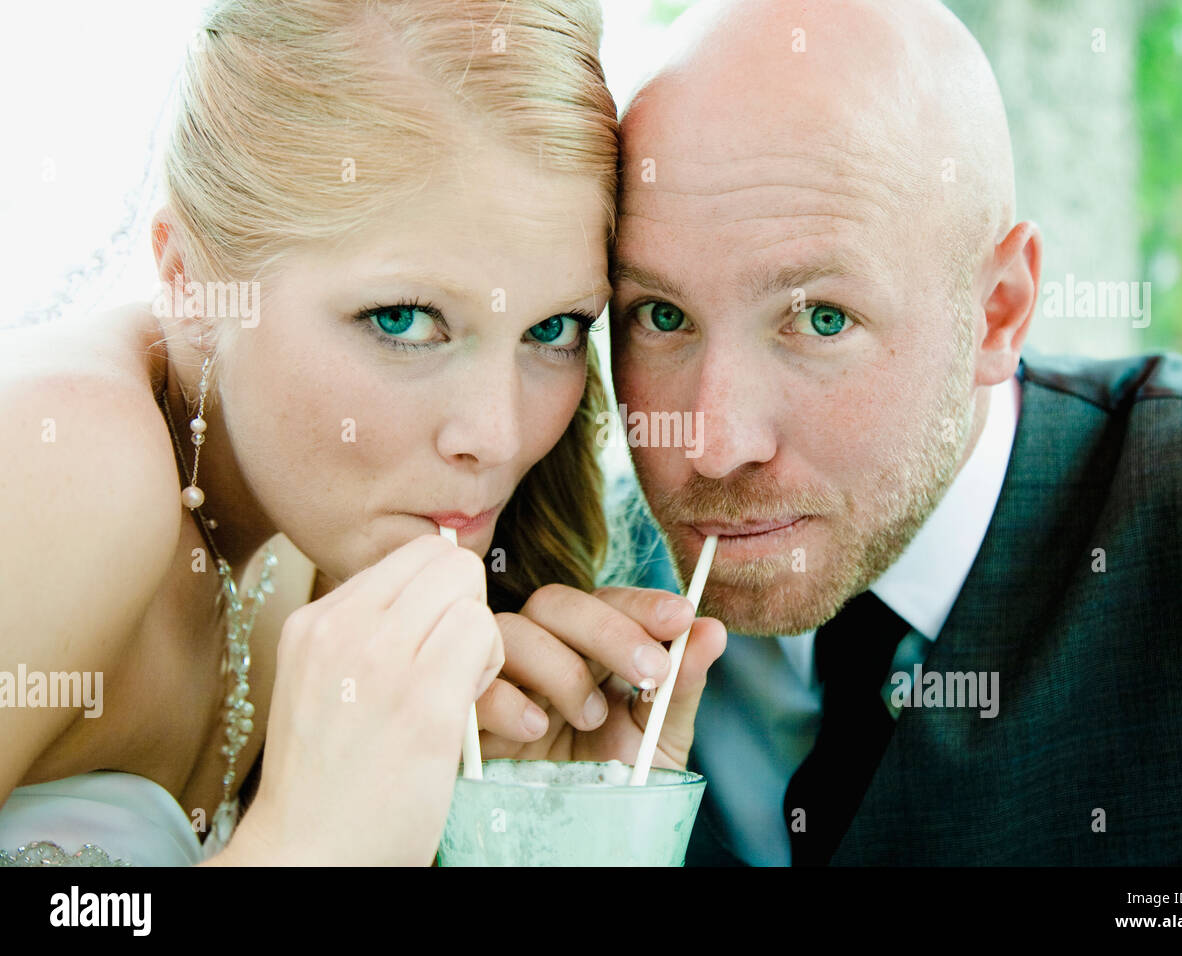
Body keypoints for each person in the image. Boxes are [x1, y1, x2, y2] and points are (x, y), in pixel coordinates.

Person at [494, 0, 1182, 866]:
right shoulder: (562, 601)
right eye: (660, 315)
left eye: (823, 320)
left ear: (998, 313)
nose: (715, 444)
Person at [0, 0, 723, 868]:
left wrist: (533, 837)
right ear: (186, 275)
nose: (495, 436)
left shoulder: (324, 532)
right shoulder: (69, 464)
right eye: (404, 320)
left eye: (553, 331)